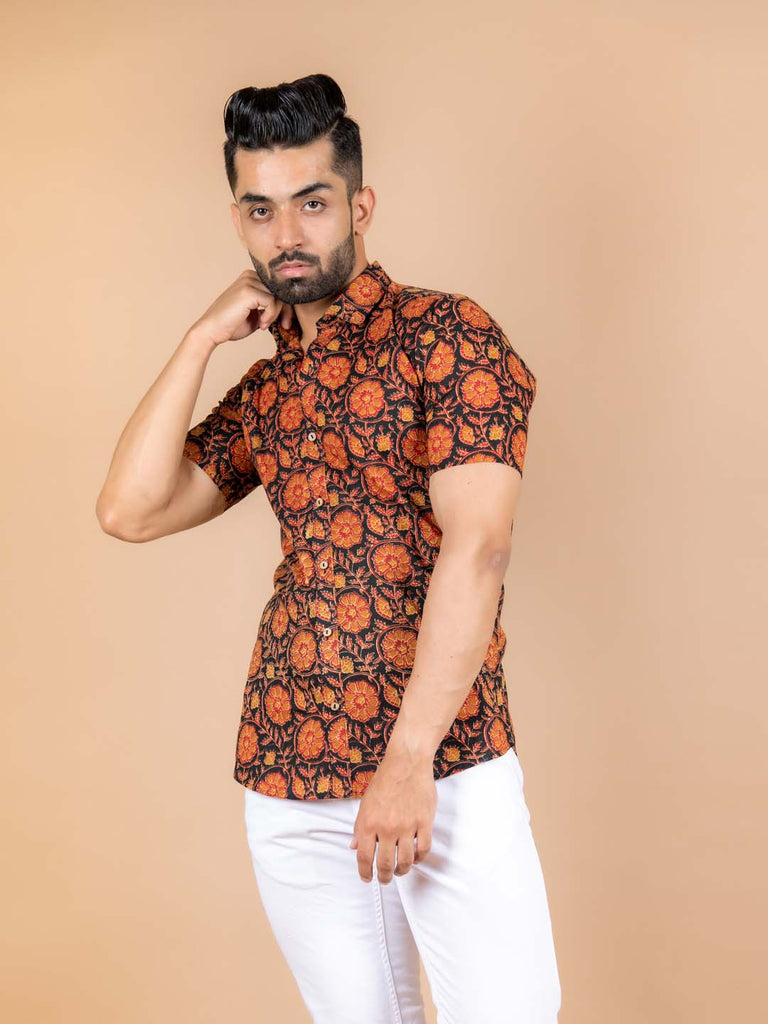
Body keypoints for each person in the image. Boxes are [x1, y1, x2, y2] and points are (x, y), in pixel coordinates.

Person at [96, 72, 561, 1023]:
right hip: (289, 769)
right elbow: (130, 510)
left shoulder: (449, 337)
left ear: (361, 205)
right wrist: (199, 339)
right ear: (239, 221)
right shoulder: (269, 389)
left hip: (445, 764)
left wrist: (409, 759)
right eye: (261, 210)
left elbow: (479, 548)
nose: (288, 234)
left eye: (312, 203)